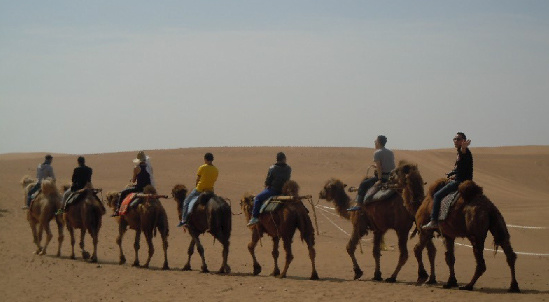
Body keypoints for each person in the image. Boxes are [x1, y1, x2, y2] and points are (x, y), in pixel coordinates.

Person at [422, 132, 472, 230]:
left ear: (463, 141)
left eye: (458, 139)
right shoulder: (460, 152)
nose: (455, 141)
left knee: (437, 196)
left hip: (460, 182)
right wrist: (453, 174)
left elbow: (463, 153)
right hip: (462, 179)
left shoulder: (463, 151)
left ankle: (433, 221)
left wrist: (463, 147)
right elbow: (462, 168)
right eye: (455, 139)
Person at [348, 135, 395, 211]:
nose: (374, 142)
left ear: (379, 142)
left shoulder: (377, 153)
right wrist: (376, 166)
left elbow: (379, 168)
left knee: (363, 184)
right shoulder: (390, 152)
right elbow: (389, 165)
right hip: (392, 177)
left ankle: (358, 204)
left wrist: (379, 179)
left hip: (382, 177)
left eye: (376, 141)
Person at [247, 152, 292, 226]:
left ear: (277, 160)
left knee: (257, 198)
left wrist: (267, 185)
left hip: (274, 191)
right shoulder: (289, 169)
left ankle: (255, 217)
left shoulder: (272, 168)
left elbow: (268, 181)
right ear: (284, 159)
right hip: (285, 192)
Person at [177, 152, 219, 227]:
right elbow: (214, 180)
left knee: (186, 201)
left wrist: (197, 186)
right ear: (212, 160)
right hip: (210, 191)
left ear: (205, 159)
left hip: (199, 190)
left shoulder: (202, 167)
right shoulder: (216, 170)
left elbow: (198, 179)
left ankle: (184, 220)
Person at [112, 151, 154, 216]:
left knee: (123, 192)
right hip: (148, 188)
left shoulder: (136, 168)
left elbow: (134, 181)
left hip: (140, 188)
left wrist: (133, 179)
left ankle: (118, 210)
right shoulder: (150, 168)